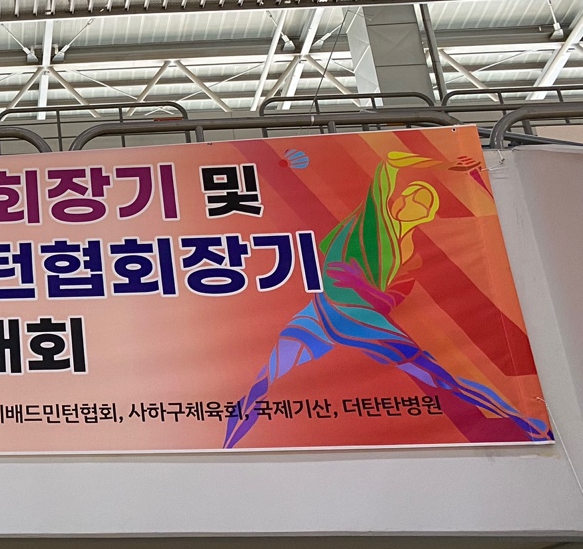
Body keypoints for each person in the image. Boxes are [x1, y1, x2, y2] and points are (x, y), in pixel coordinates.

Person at [225, 151, 549, 448]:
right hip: (321, 311)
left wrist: (360, 285)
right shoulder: (374, 215)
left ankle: (525, 422)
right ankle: (227, 447)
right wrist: (443, 165)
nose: (408, 201)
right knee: (264, 380)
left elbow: (386, 303)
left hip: (361, 319)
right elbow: (391, 161)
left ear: (426, 216)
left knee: (442, 378)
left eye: (420, 202)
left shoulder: (411, 258)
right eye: (408, 195)